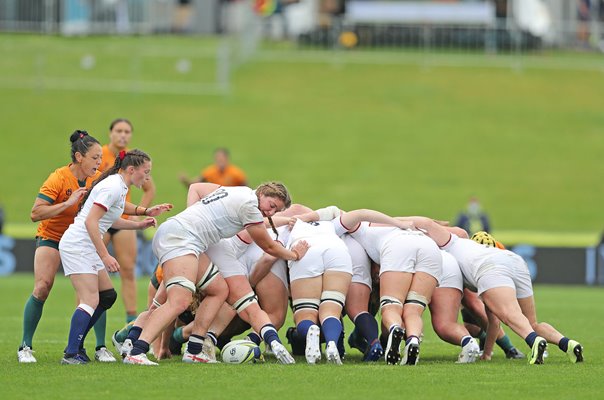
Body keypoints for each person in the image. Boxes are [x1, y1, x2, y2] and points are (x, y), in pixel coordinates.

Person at [123, 182, 309, 366]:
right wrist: (294, 255)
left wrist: (273, 340)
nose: (270, 212)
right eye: (271, 206)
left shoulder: (238, 196)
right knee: (177, 301)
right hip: (180, 238)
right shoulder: (249, 208)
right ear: (262, 193)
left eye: (275, 211)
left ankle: (194, 350)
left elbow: (196, 187)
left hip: (193, 242)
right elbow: (268, 246)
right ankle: (136, 350)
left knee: (219, 289)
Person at [401, 218, 584, 365]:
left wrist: (395, 222)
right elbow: (492, 320)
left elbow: (426, 224)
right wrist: (487, 354)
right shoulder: (484, 247)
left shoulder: (452, 244)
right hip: (514, 260)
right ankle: (567, 343)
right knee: (532, 322)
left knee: (509, 314)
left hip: (489, 268)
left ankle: (534, 341)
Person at [58, 149, 172, 364]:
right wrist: (105, 255)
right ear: (131, 169)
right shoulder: (112, 187)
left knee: (107, 295)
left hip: (86, 245)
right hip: (78, 246)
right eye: (145, 172)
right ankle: (72, 353)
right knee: (90, 299)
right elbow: (91, 222)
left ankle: (76, 344)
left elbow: (111, 218)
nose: (147, 177)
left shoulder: (119, 186)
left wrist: (141, 220)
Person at [303, 206, 442, 366]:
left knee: (392, 307)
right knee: (414, 309)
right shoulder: (391, 223)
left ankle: (395, 328)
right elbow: (424, 222)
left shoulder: (360, 228)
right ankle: (413, 340)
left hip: (398, 247)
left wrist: (303, 218)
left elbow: (359, 213)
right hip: (430, 248)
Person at [18, 131, 103, 363]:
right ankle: (25, 347)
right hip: (53, 237)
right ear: (79, 157)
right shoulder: (58, 178)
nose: (99, 163)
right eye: (95, 158)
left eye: (100, 158)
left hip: (81, 241)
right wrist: (67, 203)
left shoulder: (98, 180)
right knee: (43, 287)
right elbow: (35, 213)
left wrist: (142, 213)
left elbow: (115, 205)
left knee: (93, 293)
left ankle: (97, 347)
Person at [99, 118, 156, 325]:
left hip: (123, 220)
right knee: (92, 268)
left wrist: (138, 213)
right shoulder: (99, 154)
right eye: (119, 131)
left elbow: (149, 188)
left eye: (127, 131)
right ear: (110, 133)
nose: (123, 135)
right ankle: (86, 310)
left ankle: (131, 322)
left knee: (128, 269)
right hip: (102, 220)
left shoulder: (134, 158)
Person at [179, 147, 247, 188]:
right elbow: (194, 186)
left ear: (227, 159)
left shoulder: (236, 173)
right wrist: (185, 181)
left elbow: (247, 190)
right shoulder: (209, 172)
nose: (220, 161)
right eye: (218, 159)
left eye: (222, 159)